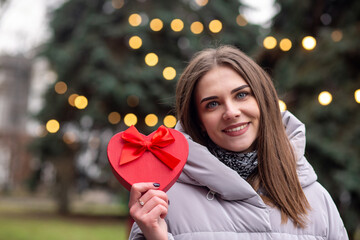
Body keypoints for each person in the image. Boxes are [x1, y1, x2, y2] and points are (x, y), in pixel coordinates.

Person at [127, 45, 348, 239]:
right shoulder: (165, 201)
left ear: (262, 101)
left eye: (241, 95)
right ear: (199, 121)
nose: (231, 112)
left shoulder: (316, 199)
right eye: (212, 104)